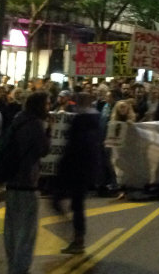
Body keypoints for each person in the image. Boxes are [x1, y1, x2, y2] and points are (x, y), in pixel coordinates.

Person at [4, 91, 52, 274]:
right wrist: (48, 131)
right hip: (27, 182)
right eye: (47, 104)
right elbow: (43, 150)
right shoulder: (35, 125)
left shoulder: (18, 119)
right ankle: (20, 268)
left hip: (12, 180)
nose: (49, 107)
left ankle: (12, 265)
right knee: (27, 232)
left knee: (12, 229)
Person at [53, 92, 104, 254]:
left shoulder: (82, 120)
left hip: (75, 169)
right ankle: (77, 237)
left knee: (62, 201)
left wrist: (63, 167)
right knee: (76, 204)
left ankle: (76, 237)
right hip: (83, 170)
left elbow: (75, 147)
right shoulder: (93, 120)